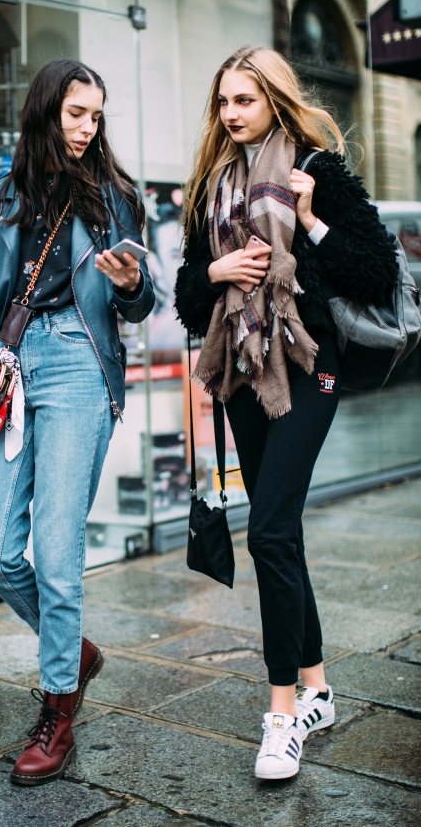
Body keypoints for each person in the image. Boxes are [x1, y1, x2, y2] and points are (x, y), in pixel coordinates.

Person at [175, 46, 398, 780]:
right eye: (223, 102)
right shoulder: (210, 187)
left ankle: (281, 716)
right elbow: (185, 297)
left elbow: (376, 271)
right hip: (241, 369)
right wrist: (215, 272)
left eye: (244, 99)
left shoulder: (317, 170)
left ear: (274, 99)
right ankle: (319, 690)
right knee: (282, 532)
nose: (231, 113)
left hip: (307, 362)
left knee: (268, 529)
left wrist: (307, 220)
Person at [0, 59, 155, 785]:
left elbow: (142, 301)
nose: (87, 127)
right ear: (46, 112)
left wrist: (135, 286)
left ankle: (57, 711)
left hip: (79, 365)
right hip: (10, 369)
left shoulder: (113, 196)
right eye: (76, 113)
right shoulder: (2, 196)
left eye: (96, 115)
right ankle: (71, 646)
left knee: (56, 546)